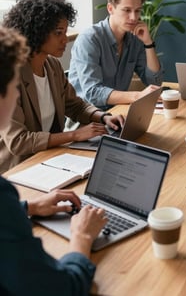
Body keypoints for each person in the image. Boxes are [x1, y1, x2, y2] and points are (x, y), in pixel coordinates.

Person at [0, 25, 108, 295]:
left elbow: (75, 103)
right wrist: (82, 237)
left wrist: (29, 207)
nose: (16, 95)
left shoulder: (53, 67)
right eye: (13, 86)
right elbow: (61, 288)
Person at [0, 0, 124, 173]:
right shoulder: (9, 76)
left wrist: (102, 117)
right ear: (37, 31)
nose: (65, 39)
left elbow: (74, 105)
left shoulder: (52, 66)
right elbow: (19, 141)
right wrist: (73, 135)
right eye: (58, 33)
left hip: (49, 159)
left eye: (65, 32)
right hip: (18, 168)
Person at [68, 0, 163, 109]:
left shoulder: (135, 39)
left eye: (137, 11)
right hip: (87, 119)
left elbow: (154, 82)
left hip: (117, 113)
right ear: (110, 8)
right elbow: (93, 93)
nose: (134, 17)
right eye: (127, 10)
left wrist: (148, 43)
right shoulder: (90, 39)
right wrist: (137, 96)